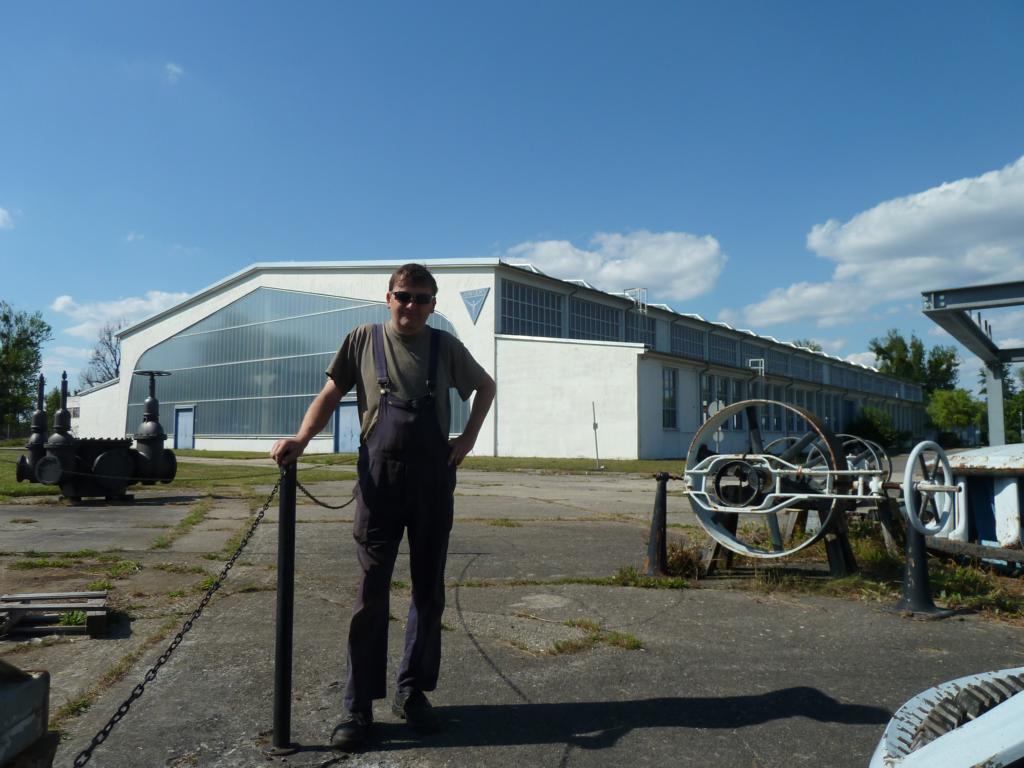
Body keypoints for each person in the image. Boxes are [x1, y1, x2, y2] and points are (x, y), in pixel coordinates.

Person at [270, 263, 496, 751]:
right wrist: (302, 439)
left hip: (433, 482)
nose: (410, 305)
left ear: (433, 305)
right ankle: (357, 705)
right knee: (370, 594)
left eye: (421, 298)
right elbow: (330, 394)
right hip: (380, 481)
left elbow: (487, 387)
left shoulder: (446, 347)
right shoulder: (362, 339)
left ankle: (412, 693)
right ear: (387, 297)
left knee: (427, 592)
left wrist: (468, 439)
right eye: (403, 296)